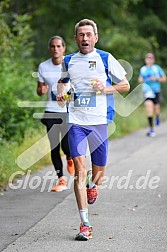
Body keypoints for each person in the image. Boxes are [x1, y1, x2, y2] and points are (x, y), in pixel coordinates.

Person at [57, 19, 130, 240]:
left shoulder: (106, 58)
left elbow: (125, 85)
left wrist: (105, 88)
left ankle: (92, 184)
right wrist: (62, 93)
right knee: (79, 171)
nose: (85, 38)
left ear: (95, 37)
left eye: (89, 34)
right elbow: (62, 81)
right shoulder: (68, 60)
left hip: (99, 122)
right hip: (76, 121)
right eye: (81, 35)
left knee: (98, 176)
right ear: (75, 38)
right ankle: (85, 224)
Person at [37, 35, 74, 192]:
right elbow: (39, 90)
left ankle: (70, 158)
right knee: (54, 147)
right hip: (51, 111)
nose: (56, 49)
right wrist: (41, 90)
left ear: (64, 48)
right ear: (49, 48)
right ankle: (61, 180)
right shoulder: (43, 66)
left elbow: (75, 88)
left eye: (59, 46)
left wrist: (67, 97)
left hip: (67, 111)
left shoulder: (71, 64)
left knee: (67, 146)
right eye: (53, 46)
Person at [138, 53, 166, 137]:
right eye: (148, 58)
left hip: (156, 91)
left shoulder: (157, 68)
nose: (149, 59)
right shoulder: (143, 69)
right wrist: (142, 80)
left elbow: (164, 79)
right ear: (145, 59)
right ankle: (151, 130)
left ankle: (157, 116)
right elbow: (140, 79)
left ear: (153, 60)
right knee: (149, 109)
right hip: (147, 92)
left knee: (156, 109)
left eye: (151, 58)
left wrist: (156, 79)